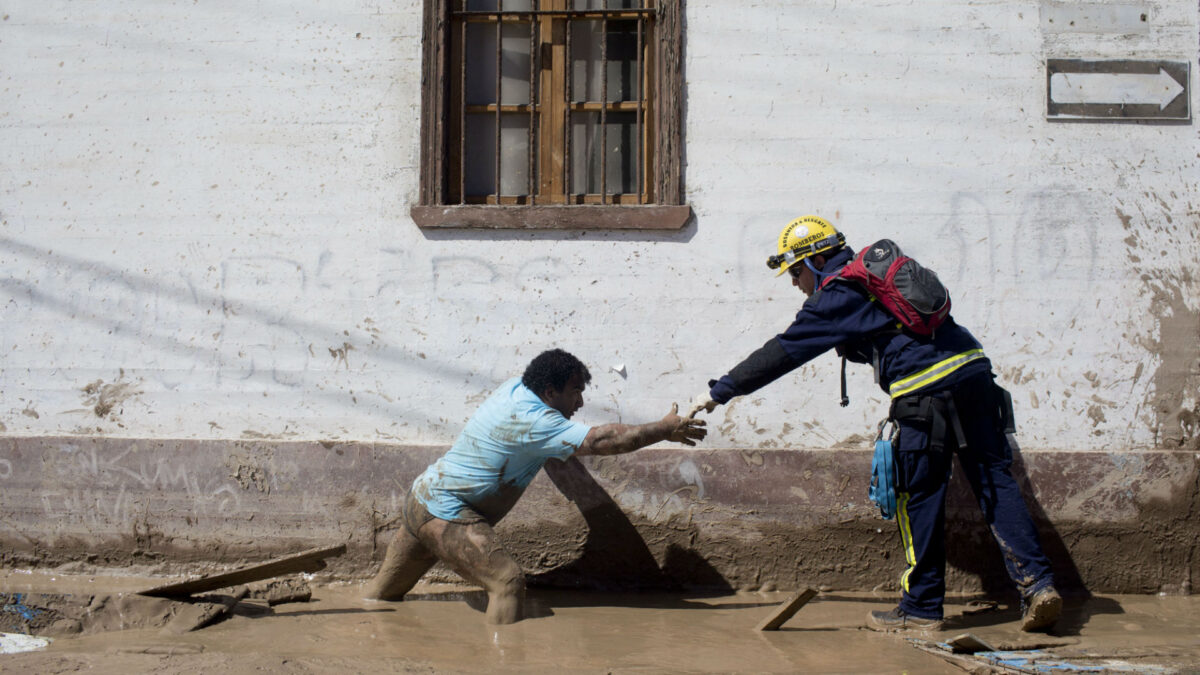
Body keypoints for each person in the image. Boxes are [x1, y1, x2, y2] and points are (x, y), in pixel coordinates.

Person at [690, 215, 1061, 633]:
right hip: (975, 373)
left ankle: (921, 610)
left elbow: (783, 352)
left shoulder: (837, 295)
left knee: (918, 496)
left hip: (924, 394)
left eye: (795, 272)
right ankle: (1039, 586)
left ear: (815, 261)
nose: (794, 283)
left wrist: (718, 392)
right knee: (996, 483)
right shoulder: (879, 276)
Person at [364, 348, 707, 624]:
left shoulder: (514, 388)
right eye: (575, 392)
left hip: (420, 499)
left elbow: (546, 445)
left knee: (379, 597)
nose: (580, 403)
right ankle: (504, 660)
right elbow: (602, 441)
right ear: (549, 391)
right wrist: (663, 429)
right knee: (507, 583)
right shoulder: (537, 422)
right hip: (447, 514)